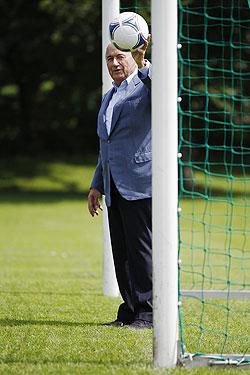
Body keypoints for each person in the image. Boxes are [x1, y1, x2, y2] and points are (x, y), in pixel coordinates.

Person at [88, 39, 152, 329]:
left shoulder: (146, 86)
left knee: (141, 252)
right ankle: (129, 310)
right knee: (122, 253)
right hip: (114, 188)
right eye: (109, 58)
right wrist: (96, 185)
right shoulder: (109, 96)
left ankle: (148, 314)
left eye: (119, 57)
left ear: (132, 57)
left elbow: (161, 88)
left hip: (141, 184)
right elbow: (106, 146)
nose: (113, 63)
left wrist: (142, 64)